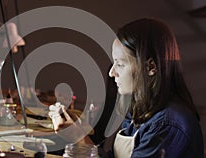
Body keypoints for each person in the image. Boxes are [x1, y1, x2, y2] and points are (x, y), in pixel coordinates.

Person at [49, 18, 204, 158]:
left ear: (151, 67)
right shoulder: (141, 110)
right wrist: (76, 133)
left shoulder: (167, 124)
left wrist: (78, 136)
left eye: (120, 64)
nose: (111, 72)